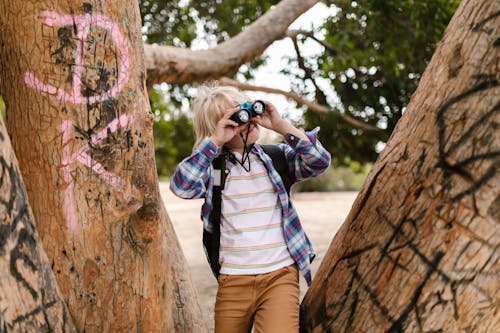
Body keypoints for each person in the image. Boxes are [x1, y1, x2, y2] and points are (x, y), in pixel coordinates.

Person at [169, 85, 331, 333]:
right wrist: (214, 141)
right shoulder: (214, 168)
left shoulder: (277, 157)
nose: (247, 121)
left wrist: (280, 126)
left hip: (280, 275)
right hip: (233, 280)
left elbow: (319, 161)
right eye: (235, 118)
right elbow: (182, 187)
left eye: (246, 109)